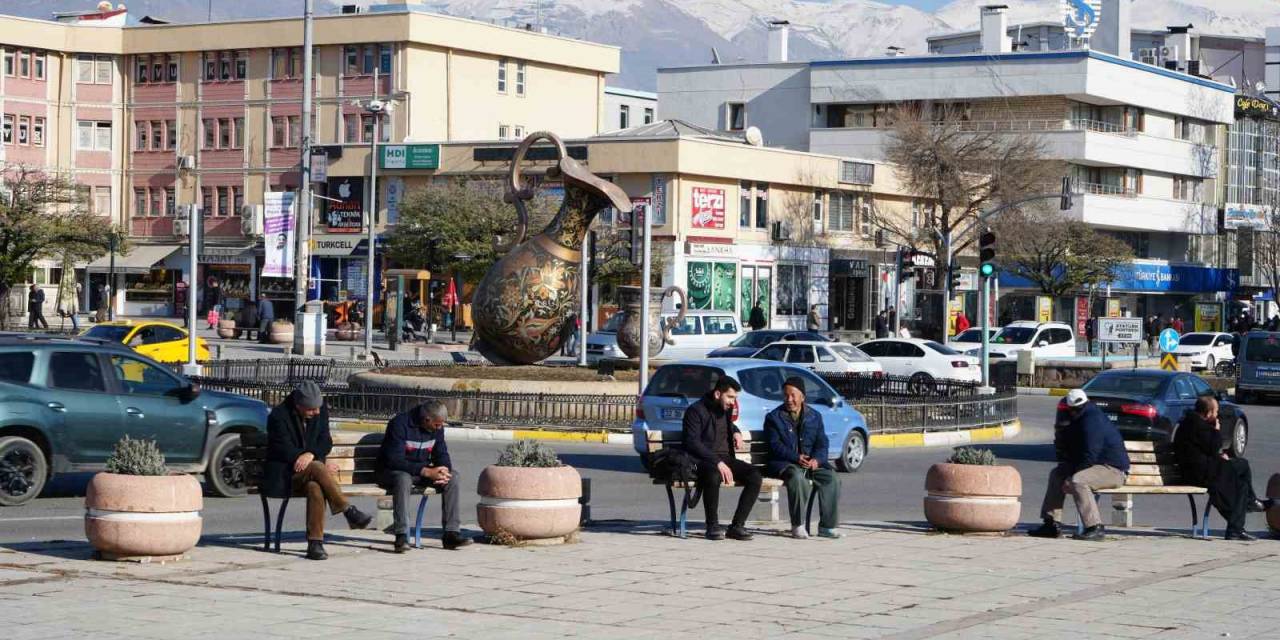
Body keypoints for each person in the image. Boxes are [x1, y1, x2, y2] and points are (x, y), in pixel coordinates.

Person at [264, 381, 374, 560]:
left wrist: (311, 454)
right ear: (299, 406)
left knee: (315, 486)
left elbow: (325, 441)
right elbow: (281, 448)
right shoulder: (279, 415)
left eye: (317, 408)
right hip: (285, 474)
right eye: (311, 410)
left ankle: (315, 544)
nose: (316, 412)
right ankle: (348, 510)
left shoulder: (319, 411)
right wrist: (312, 459)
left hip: (311, 473)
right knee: (316, 467)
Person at [1028, 388, 1130, 541]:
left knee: (1079, 481)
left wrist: (1071, 477)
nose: (1072, 412)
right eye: (1071, 410)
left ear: (1082, 406)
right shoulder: (1078, 418)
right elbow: (1072, 451)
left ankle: (1095, 527)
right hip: (1094, 466)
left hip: (1113, 470)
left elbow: (1090, 454)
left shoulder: (1092, 419)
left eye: (1075, 409)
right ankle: (1051, 524)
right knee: (1056, 475)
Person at [377, 400, 471, 553]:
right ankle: (401, 535)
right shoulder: (400, 424)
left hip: (420, 471)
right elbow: (394, 460)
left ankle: (451, 534)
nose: (439, 428)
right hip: (391, 472)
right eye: (437, 425)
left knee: (453, 477)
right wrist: (425, 471)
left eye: (441, 425)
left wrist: (444, 470)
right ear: (427, 419)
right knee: (403, 479)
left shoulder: (436, 428)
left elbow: (441, 453)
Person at [1174, 396, 1272, 540]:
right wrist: (1216, 430)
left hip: (1204, 467)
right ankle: (1235, 530)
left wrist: (1220, 456)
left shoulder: (1190, 423)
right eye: (1215, 412)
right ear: (1208, 413)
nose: (1216, 415)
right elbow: (1213, 447)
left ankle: (1251, 502)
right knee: (1241, 487)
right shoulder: (1199, 426)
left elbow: (1205, 450)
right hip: (1201, 474)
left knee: (1242, 465)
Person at [683, 376, 761, 541]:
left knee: (754, 476)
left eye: (735, 398)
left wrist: (736, 431)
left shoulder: (724, 410)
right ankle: (712, 526)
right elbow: (692, 442)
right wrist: (717, 462)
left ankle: (737, 526)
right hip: (702, 461)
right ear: (718, 394)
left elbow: (728, 425)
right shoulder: (695, 411)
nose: (733, 402)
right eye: (730, 397)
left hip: (725, 459)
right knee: (713, 475)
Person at [763, 377, 842, 539]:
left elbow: (822, 444)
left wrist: (817, 460)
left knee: (831, 478)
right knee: (798, 478)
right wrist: (796, 457)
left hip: (809, 464)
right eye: (786, 395)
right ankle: (797, 524)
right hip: (785, 464)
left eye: (793, 395)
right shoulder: (774, 417)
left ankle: (827, 526)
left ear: (802, 397)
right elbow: (775, 446)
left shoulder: (815, 416)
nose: (789, 399)